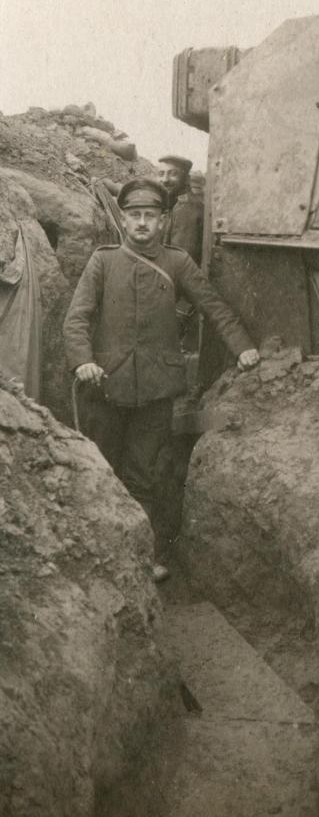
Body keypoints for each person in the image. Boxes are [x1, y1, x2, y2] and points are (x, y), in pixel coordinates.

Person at [63, 178, 259, 581]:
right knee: (103, 472)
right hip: (105, 390)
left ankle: (141, 559)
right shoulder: (102, 261)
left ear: (163, 221)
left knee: (144, 476)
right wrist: (83, 361)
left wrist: (242, 346)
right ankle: (98, 562)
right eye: (134, 216)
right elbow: (76, 319)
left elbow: (213, 307)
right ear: (123, 218)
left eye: (150, 217)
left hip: (155, 393)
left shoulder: (177, 263)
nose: (141, 224)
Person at [157, 154, 204, 265]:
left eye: (173, 174)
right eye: (161, 174)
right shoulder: (173, 203)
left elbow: (180, 263)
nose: (165, 180)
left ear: (186, 179)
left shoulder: (186, 208)